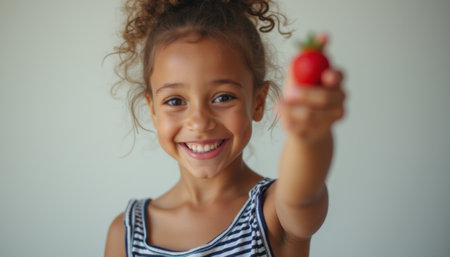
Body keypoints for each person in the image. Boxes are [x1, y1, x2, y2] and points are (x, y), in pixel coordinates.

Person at [104, 0, 345, 256]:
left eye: (223, 97)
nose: (199, 122)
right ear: (153, 110)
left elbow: (303, 196)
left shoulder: (272, 213)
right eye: (175, 101)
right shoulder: (126, 234)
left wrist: (308, 137)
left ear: (258, 102)